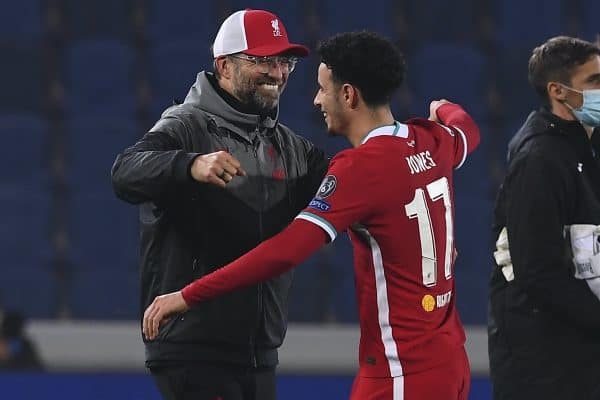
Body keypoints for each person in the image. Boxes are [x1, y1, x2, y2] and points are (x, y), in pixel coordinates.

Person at [142, 31, 480, 400]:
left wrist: (188, 295)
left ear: (348, 94)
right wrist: (442, 108)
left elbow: (284, 252)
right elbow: (467, 130)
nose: (317, 99)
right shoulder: (432, 139)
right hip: (451, 363)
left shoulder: (360, 168)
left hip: (401, 373)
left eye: (323, 88)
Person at [111, 9, 328, 400]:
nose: (277, 73)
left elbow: (352, 193)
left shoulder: (294, 148)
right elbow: (124, 172)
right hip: (193, 347)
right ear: (224, 66)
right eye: (262, 60)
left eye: (284, 61)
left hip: (260, 352)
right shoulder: (185, 125)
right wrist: (190, 164)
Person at [488, 36, 600, 400]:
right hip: (542, 363)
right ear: (559, 91)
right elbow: (538, 273)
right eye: (595, 81)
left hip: (577, 353)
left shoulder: (582, 146)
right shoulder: (540, 160)